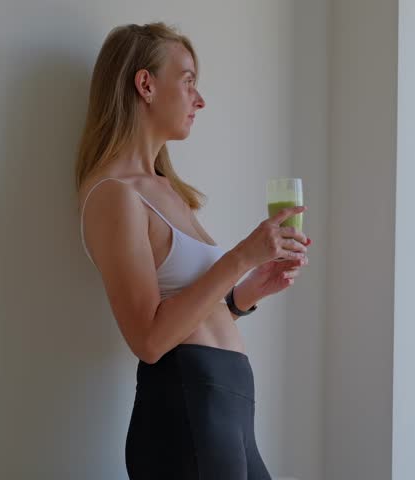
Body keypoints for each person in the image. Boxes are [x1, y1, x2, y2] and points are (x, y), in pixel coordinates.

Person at [74, 22, 311, 479]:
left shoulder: (168, 192)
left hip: (228, 406)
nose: (199, 100)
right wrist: (241, 256)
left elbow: (186, 313)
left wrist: (243, 296)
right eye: (188, 82)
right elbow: (149, 339)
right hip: (188, 405)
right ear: (145, 84)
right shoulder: (114, 196)